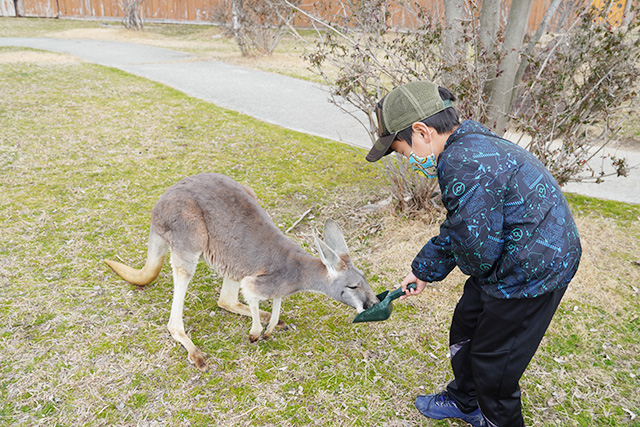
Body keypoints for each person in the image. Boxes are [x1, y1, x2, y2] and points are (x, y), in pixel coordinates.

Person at [366, 81, 582, 427]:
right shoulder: (469, 144)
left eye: (404, 152)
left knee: (494, 363)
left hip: (533, 269)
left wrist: (461, 262)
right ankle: (465, 401)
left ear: (421, 132)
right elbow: (463, 226)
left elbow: (478, 252)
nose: (409, 161)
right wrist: (424, 270)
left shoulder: (463, 164)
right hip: (514, 253)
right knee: (467, 324)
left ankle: (496, 417)